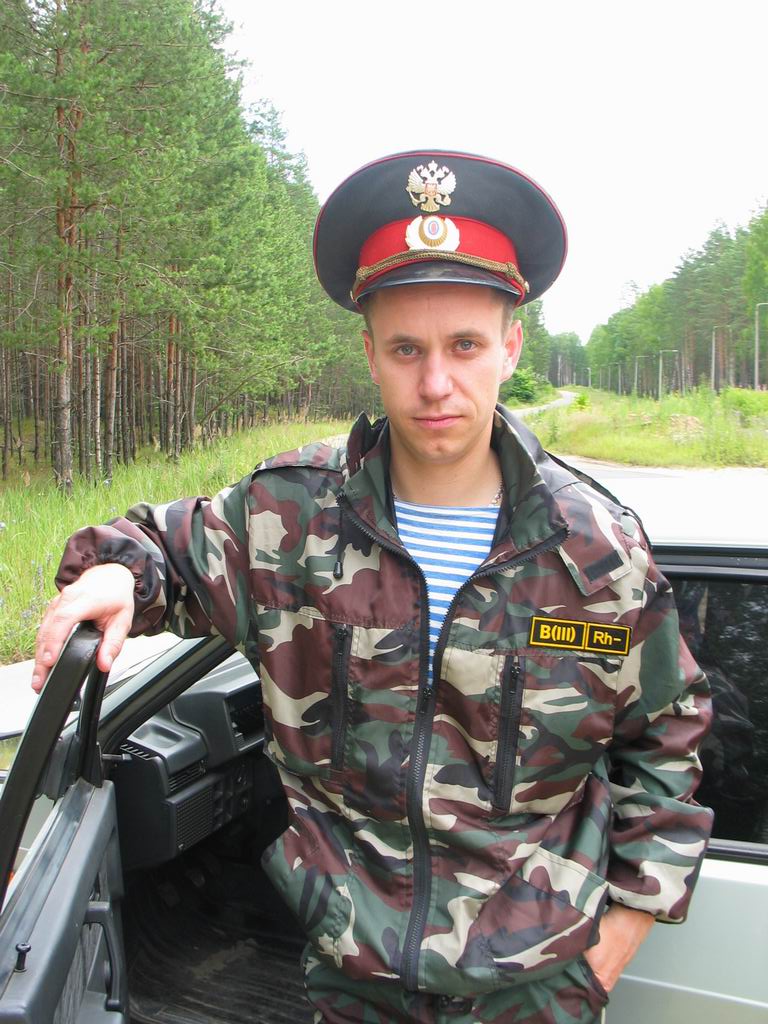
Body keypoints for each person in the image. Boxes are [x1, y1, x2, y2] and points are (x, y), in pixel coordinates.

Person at [33, 151, 713, 1024]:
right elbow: (159, 546)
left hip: (536, 989)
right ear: (370, 353)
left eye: (465, 345)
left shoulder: (596, 552)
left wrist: (616, 942)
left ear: (510, 346)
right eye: (406, 349)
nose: (436, 384)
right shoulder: (290, 517)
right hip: (352, 980)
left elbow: (667, 741)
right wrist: (115, 571)